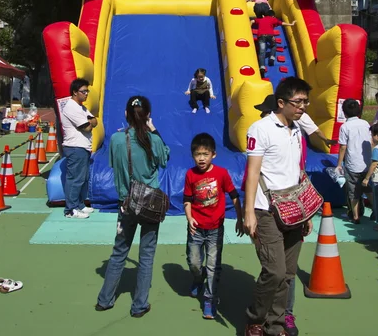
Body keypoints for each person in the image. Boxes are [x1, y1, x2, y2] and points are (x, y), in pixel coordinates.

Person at [243, 77, 314, 336]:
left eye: (306, 101)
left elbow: (297, 172)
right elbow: (252, 173)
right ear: (281, 102)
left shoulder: (296, 130)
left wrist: (305, 212)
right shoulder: (260, 128)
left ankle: (276, 324)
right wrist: (249, 212)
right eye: (298, 102)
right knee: (274, 271)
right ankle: (255, 319)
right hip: (266, 210)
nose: (303, 106)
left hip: (294, 211)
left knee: (288, 274)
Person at [96, 96, 169, 317]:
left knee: (119, 251)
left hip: (126, 204)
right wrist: (154, 131)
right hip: (150, 204)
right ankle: (139, 305)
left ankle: (105, 300)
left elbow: (113, 165)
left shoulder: (117, 139)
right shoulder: (152, 139)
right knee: (146, 255)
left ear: (126, 114)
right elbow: (164, 159)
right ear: (148, 116)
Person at [184, 133, 243, 320]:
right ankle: (197, 278)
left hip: (215, 229)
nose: (201, 158)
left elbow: (234, 196)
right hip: (196, 228)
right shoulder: (190, 174)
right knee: (194, 262)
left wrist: (240, 218)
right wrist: (189, 218)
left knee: (212, 265)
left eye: (205, 154)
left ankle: (210, 299)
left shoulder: (221, 174)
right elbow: (186, 200)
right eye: (197, 154)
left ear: (213, 155)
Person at [60, 78, 97, 219]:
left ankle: (79, 204)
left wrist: (91, 121)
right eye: (83, 91)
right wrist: (90, 121)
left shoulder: (82, 107)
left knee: (82, 178)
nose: (86, 94)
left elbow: (95, 120)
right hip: (75, 147)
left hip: (83, 147)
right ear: (75, 92)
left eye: (87, 91)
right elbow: (87, 127)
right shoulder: (71, 107)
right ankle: (70, 209)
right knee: (75, 179)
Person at [336, 99, 372, 224]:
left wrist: (339, 164)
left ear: (344, 113)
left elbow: (343, 147)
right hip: (366, 162)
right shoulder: (365, 123)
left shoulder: (345, 127)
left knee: (353, 191)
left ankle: (356, 216)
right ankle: (377, 211)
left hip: (353, 164)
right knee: (368, 189)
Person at [252, 10, 296, 75]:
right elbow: (282, 23)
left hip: (261, 36)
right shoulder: (273, 19)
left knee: (262, 51)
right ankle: (272, 57)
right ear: (272, 16)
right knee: (273, 45)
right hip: (270, 36)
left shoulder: (261, 19)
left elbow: (252, 21)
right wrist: (291, 24)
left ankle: (262, 67)